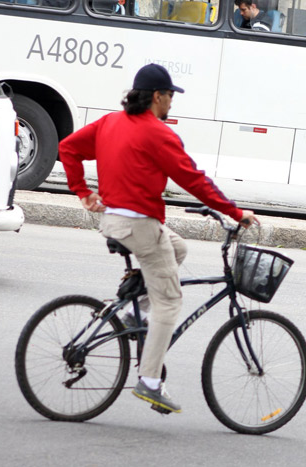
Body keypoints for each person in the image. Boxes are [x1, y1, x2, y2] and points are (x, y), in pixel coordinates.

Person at [59, 63, 258, 414]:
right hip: (139, 226)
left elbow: (68, 148)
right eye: (169, 96)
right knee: (171, 303)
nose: (171, 103)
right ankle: (150, 382)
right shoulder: (157, 133)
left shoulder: (110, 122)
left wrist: (83, 192)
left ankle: (139, 309)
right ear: (156, 96)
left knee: (179, 246)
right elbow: (194, 180)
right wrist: (236, 213)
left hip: (113, 222)